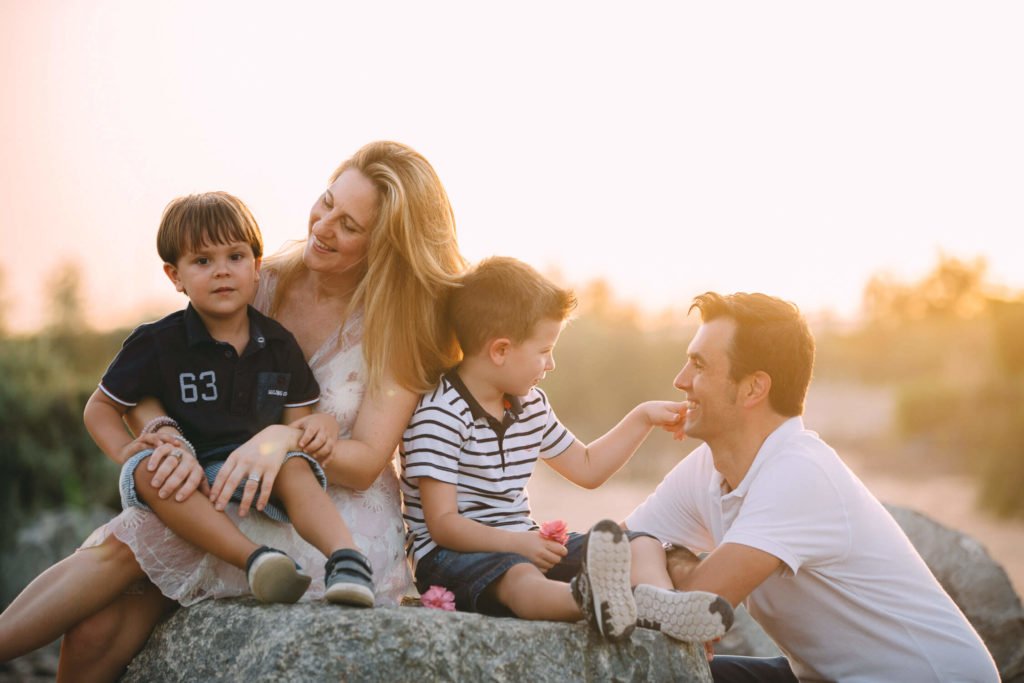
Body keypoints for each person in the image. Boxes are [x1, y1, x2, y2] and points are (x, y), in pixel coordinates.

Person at [0, 141, 467, 681]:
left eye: (349, 226)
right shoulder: (255, 278)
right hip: (229, 486)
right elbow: (165, 369)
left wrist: (280, 440)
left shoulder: (398, 326)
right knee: (94, 629)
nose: (322, 226)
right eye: (326, 202)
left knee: (131, 548)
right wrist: (165, 433)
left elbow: (364, 464)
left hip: (324, 512)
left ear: (385, 245)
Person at [624, 291, 1000, 682]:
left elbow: (695, 607)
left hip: (926, 677)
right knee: (654, 673)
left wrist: (667, 555)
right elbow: (612, 548)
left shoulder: (798, 473)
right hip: (826, 675)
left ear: (753, 388)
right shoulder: (709, 466)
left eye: (699, 365)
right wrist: (655, 553)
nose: (681, 380)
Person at [400, 257, 734, 642]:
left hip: (523, 541)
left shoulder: (530, 406)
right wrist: (518, 543)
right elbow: (443, 524)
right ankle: (592, 601)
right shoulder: (441, 413)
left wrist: (642, 417)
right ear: (500, 350)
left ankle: (658, 605)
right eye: (544, 351)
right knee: (519, 576)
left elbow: (587, 468)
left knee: (642, 543)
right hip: (451, 556)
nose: (551, 364)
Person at [81, 190, 376, 607]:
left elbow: (297, 426)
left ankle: (348, 560)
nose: (222, 271)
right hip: (190, 474)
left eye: (235, 257)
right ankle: (257, 561)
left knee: (295, 466)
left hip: (256, 473)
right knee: (151, 468)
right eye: (203, 261)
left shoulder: (278, 344)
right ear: (175, 276)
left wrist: (320, 425)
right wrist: (125, 449)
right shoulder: (157, 342)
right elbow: (101, 407)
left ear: (256, 267)